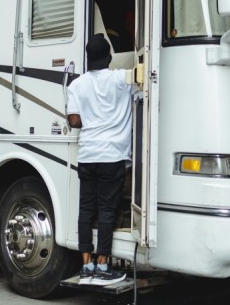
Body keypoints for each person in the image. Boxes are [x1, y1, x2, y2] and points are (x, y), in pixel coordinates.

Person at [66, 33, 136, 286]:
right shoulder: (121, 79)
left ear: (88, 58)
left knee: (86, 210)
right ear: (108, 57)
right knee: (107, 211)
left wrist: (92, 120)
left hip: (88, 154)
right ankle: (104, 265)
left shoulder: (76, 85)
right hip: (113, 155)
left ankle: (86, 265)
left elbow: (73, 121)